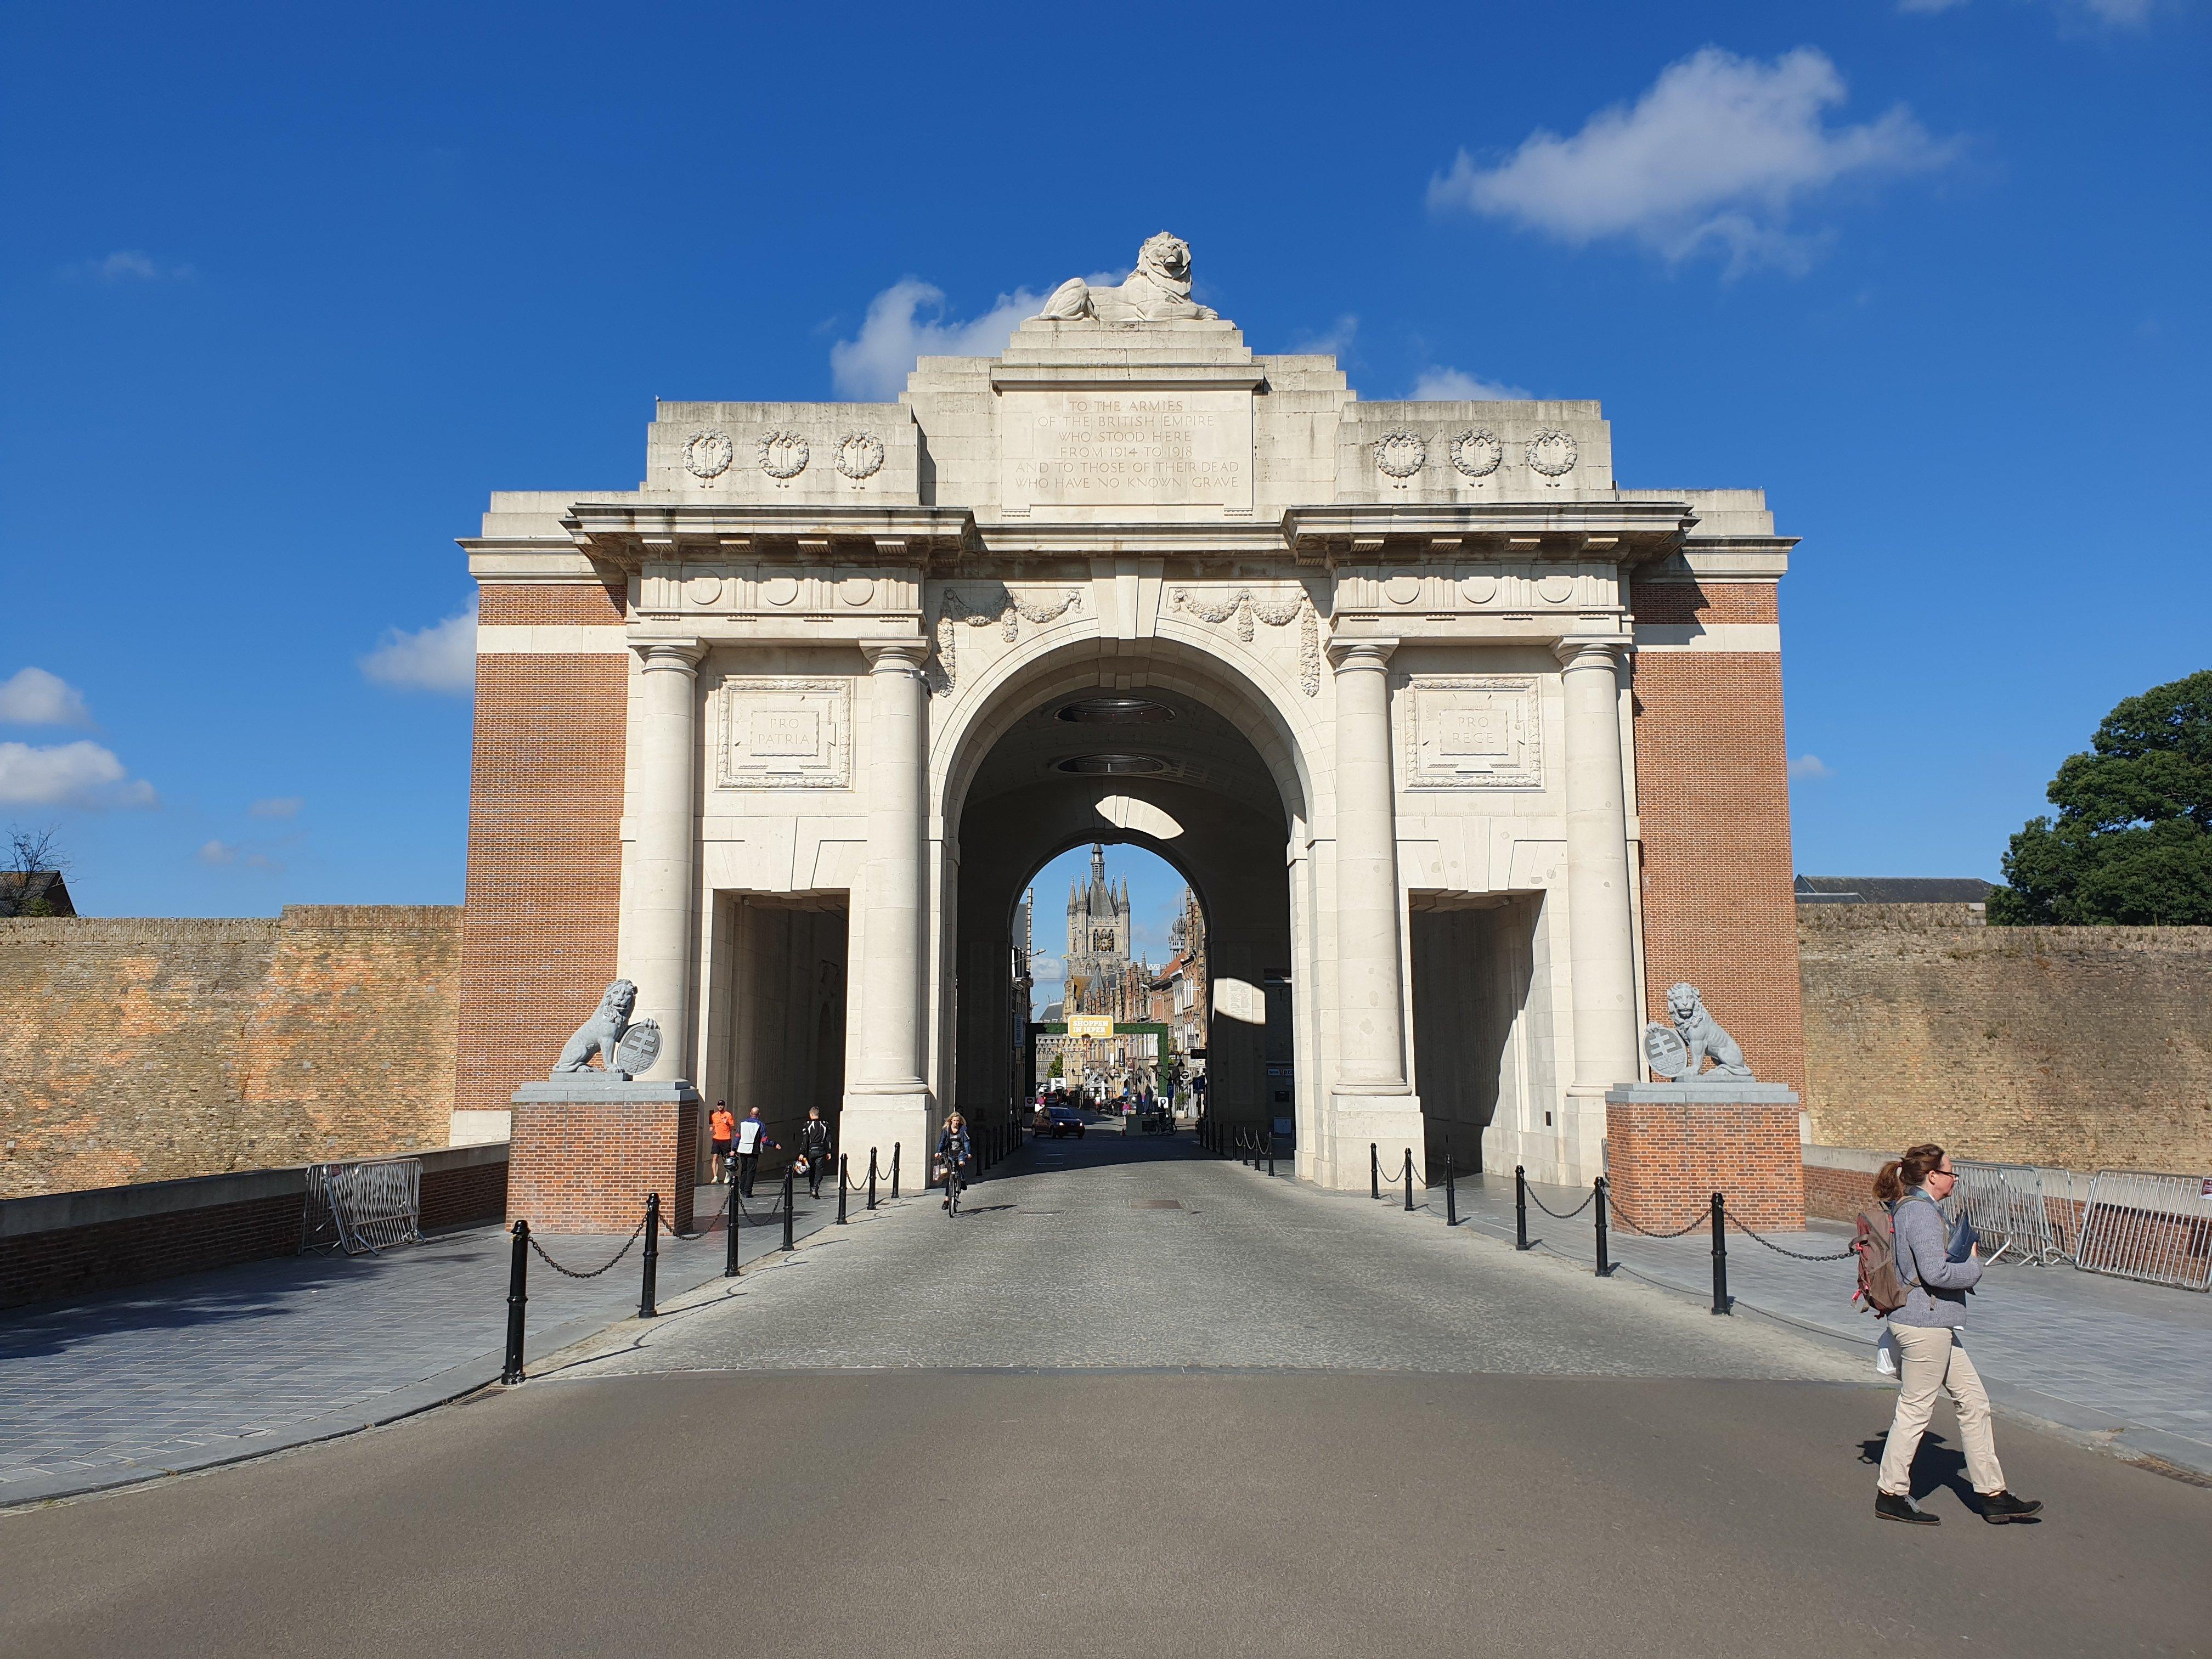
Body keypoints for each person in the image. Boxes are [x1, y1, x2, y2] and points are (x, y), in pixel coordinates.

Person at [1872, 1143, 2042, 1526]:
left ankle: (1993, 1495)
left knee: (1974, 1402)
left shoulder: (1921, 1209)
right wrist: (1974, 1268)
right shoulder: (1919, 1213)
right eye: (1951, 1172)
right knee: (1916, 1408)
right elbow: (1935, 1273)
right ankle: (1891, 1493)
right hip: (1924, 1326)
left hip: (1933, 1324)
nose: (1954, 1179)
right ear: (1932, 1176)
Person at [734, 1107, 775, 1198]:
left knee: (744, 1170)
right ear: (759, 1115)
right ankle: (747, 1191)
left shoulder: (742, 1123)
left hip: (742, 1149)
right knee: (751, 1171)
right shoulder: (760, 1124)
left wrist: (734, 1149)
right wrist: (774, 1144)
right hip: (753, 1149)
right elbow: (764, 1140)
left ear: (750, 1113)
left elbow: (737, 1136)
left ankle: (742, 1188)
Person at [935, 1112, 972, 1210]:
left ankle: (963, 1180)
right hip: (950, 1153)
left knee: (961, 1163)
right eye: (954, 1121)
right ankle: (947, 1200)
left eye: (958, 1121)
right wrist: (938, 1152)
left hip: (960, 1152)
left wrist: (968, 1153)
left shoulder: (963, 1129)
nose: (956, 1123)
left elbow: (966, 1142)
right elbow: (942, 1142)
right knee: (949, 1177)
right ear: (951, 1120)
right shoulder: (947, 1130)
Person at [798, 1106, 833, 1200]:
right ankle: (816, 1187)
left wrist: (802, 1152)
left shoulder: (807, 1125)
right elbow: (829, 1139)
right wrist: (829, 1152)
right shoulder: (825, 1125)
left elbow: (805, 1140)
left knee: (812, 1170)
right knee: (819, 1170)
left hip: (811, 1150)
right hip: (821, 1150)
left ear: (812, 1114)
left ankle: (811, 1190)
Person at [708, 1102, 736, 1184]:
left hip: (726, 1139)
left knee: (725, 1158)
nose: (720, 1107)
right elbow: (715, 1124)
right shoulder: (714, 1116)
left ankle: (728, 1173)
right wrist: (712, 1127)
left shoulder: (728, 1115)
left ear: (724, 1106)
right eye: (719, 1105)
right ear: (717, 1106)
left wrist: (727, 1122)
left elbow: (733, 1127)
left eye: (722, 1105)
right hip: (717, 1139)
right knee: (715, 1157)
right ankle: (715, 1176)